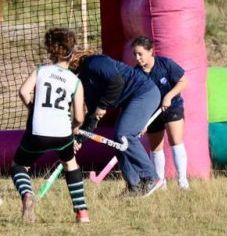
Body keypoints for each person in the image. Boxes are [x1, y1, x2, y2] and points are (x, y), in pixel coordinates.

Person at [10, 28, 89, 224]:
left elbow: (22, 91)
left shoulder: (41, 71)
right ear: (71, 55)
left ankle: (27, 194)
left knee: (19, 166)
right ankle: (82, 214)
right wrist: (74, 129)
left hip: (37, 131)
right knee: (70, 165)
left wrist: (32, 107)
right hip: (63, 133)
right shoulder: (75, 81)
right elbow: (79, 116)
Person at [70, 48, 164, 197]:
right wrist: (79, 139)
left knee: (125, 135)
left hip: (145, 93)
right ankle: (134, 186)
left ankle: (151, 177)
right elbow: (93, 117)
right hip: (132, 100)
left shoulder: (94, 61)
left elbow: (116, 81)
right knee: (118, 138)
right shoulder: (84, 82)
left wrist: (103, 105)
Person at [132, 36, 190, 190]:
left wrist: (169, 96)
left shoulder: (165, 64)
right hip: (151, 113)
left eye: (140, 54)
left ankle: (182, 181)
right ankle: (159, 182)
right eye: (135, 55)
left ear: (151, 51)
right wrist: (141, 121)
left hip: (172, 107)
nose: (137, 58)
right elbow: (136, 98)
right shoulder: (136, 73)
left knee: (175, 140)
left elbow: (183, 81)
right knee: (155, 147)